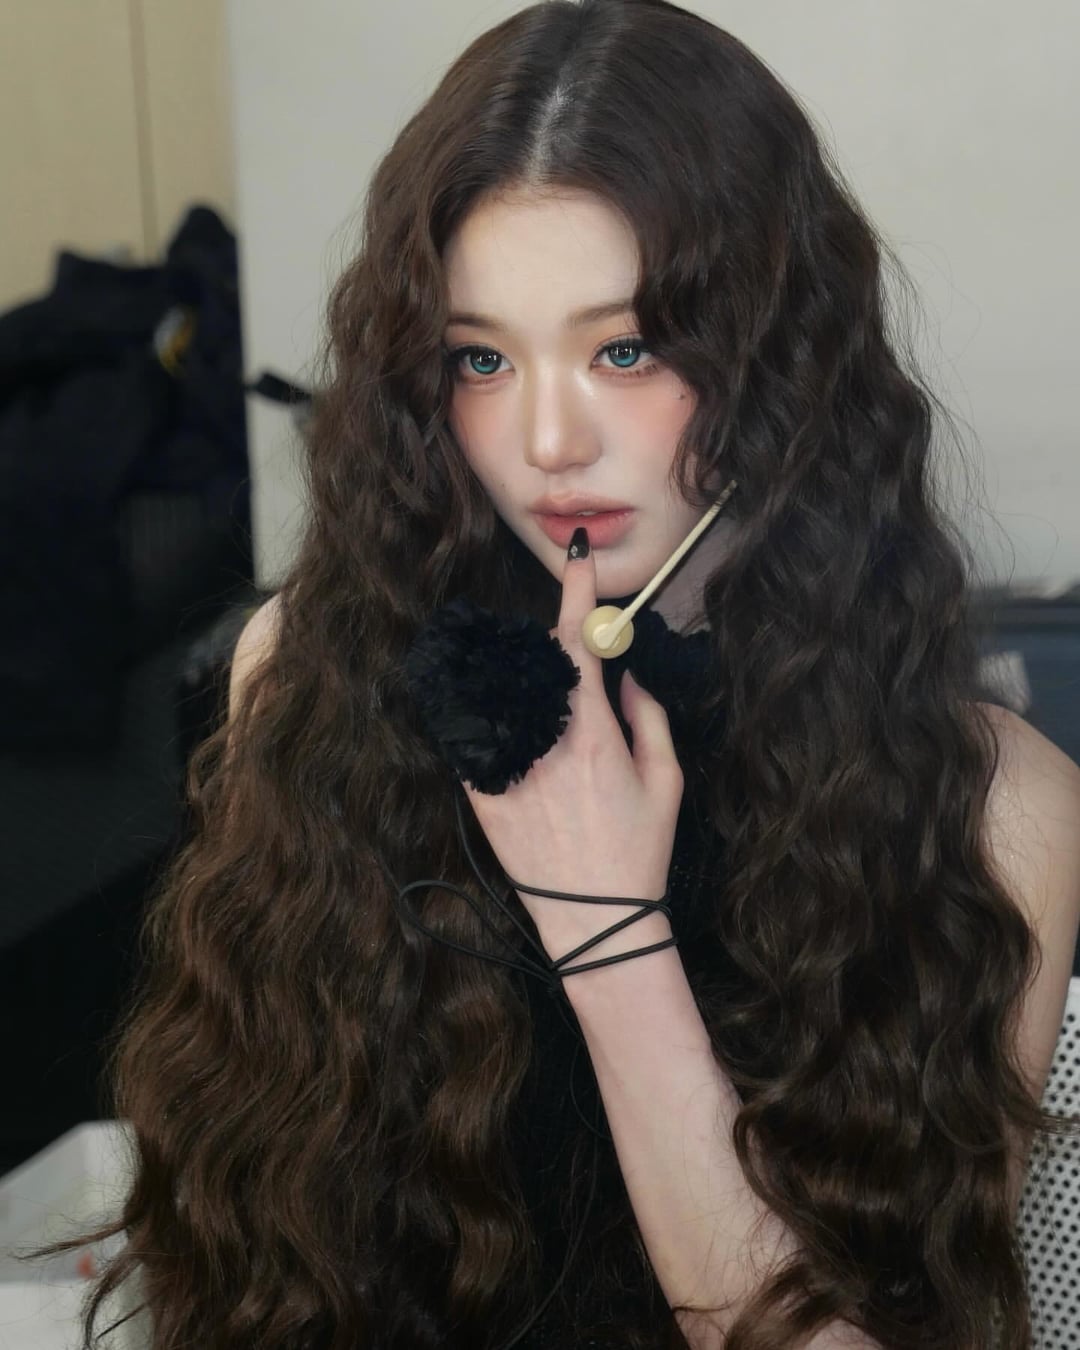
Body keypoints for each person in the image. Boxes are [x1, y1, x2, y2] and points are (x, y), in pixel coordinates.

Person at [36, 1, 1080, 1346]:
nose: (545, 442)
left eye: (622, 349)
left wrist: (607, 929)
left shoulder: (998, 808)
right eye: (480, 357)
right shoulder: (312, 678)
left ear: (781, 357)